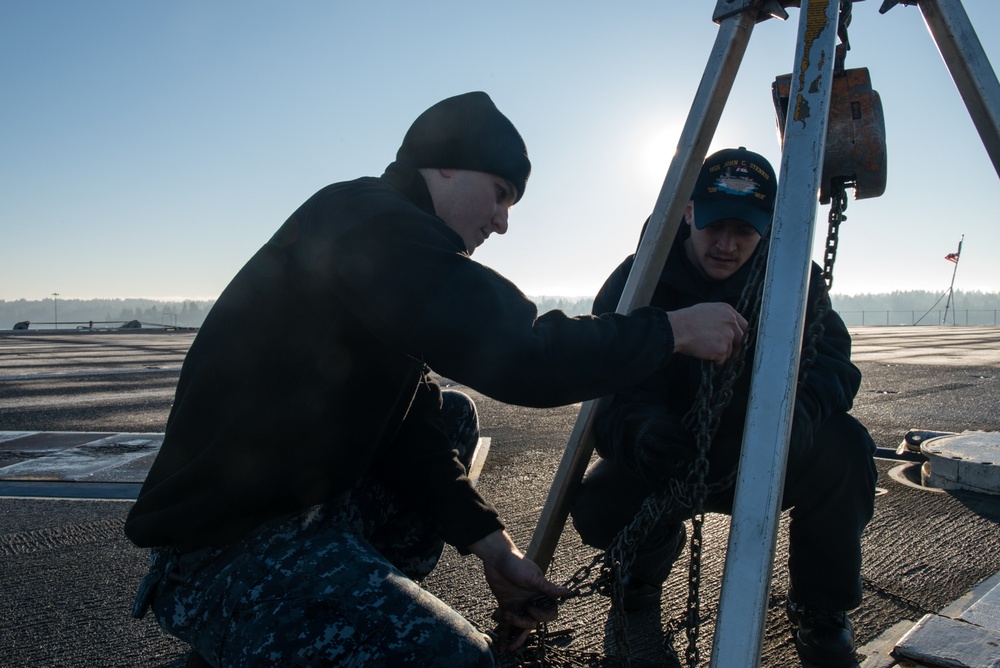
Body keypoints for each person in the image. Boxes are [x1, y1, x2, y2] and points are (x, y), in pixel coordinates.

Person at [124, 92, 750, 667]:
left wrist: (494, 550)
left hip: (301, 514)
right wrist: (671, 331)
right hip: (225, 551)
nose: (502, 222)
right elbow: (521, 352)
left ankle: (323, 618)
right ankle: (267, 629)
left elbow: (412, 435)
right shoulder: (371, 226)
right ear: (449, 164)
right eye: (501, 192)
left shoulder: (386, 240)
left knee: (447, 415)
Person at [571, 147, 877, 668]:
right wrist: (643, 434)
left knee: (845, 448)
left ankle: (822, 610)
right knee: (601, 502)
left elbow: (834, 365)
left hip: (763, 449)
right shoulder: (638, 280)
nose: (728, 244)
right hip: (673, 454)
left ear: (768, 228)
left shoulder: (791, 278)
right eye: (714, 226)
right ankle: (640, 575)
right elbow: (608, 391)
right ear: (688, 212)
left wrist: (791, 425)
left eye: (746, 230)